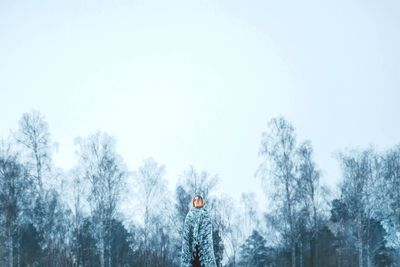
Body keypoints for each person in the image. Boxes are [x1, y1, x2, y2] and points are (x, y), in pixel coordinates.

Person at [181, 195, 217, 267]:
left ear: (202, 203)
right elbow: (186, 235)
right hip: (191, 250)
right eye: (195, 200)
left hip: (204, 249)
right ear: (193, 203)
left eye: (199, 200)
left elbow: (207, 234)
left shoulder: (206, 215)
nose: (197, 201)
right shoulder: (189, 215)